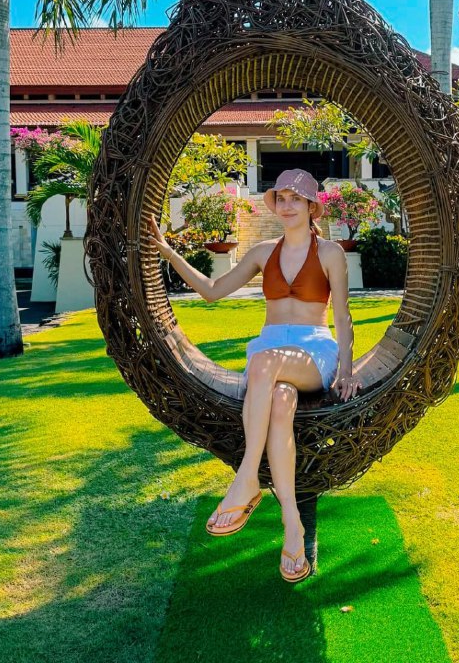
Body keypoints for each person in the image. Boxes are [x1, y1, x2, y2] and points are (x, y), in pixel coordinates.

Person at [146, 168, 362, 582]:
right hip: (271, 354)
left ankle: (246, 480)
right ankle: (292, 525)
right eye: (281, 198)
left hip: (313, 351)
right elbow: (212, 291)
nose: (287, 205)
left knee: (263, 363)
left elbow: (342, 316)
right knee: (280, 402)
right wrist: (169, 253)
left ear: (312, 207)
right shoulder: (263, 252)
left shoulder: (331, 253)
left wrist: (347, 369)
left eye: (296, 199)